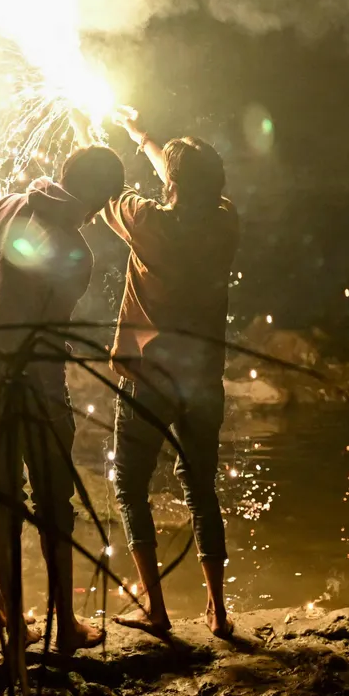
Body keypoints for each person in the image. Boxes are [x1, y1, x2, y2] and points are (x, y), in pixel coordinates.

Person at [0, 145, 125, 653]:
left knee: (0, 496)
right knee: (54, 502)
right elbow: (49, 327)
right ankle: (65, 625)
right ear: (100, 200)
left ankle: (13, 624)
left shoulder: (4, 204)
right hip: (36, 383)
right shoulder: (77, 251)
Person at [102, 107, 239, 640]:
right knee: (201, 489)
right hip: (203, 379)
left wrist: (106, 143)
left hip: (148, 375)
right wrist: (145, 137)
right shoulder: (225, 223)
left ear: (173, 185)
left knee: (130, 484)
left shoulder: (146, 222)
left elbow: (107, 191)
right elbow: (182, 184)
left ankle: (155, 609)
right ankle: (219, 613)